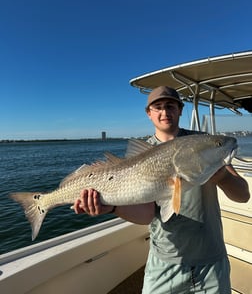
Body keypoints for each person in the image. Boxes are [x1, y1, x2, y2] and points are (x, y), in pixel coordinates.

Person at [73, 86, 250, 293]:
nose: (164, 112)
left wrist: (222, 175)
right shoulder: (139, 155)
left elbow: (243, 195)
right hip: (164, 262)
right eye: (157, 107)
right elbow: (147, 214)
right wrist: (112, 208)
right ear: (149, 113)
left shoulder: (205, 144)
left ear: (180, 110)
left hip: (211, 261)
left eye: (170, 106)